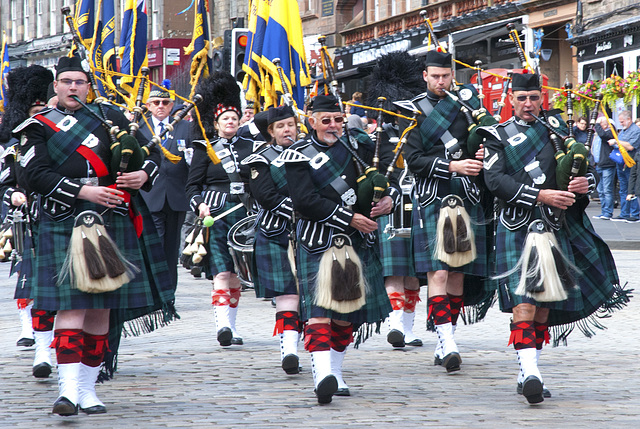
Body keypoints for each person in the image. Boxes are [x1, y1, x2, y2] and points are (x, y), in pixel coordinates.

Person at [14, 56, 177, 416]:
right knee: (71, 308)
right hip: (64, 219)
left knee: (100, 310)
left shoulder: (109, 118)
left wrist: (143, 176)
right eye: (67, 81)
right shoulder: (36, 126)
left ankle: (88, 391)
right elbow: (33, 176)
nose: (74, 87)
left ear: (89, 85)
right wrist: (82, 192)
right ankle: (68, 391)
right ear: (55, 85)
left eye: (80, 81)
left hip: (109, 219)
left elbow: (148, 154)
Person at [481, 72, 628, 404]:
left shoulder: (558, 134)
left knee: (544, 308)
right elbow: (494, 180)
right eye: (522, 98)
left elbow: (582, 173)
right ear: (511, 100)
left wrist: (583, 185)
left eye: (534, 97)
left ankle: (526, 369)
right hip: (517, 225)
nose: (529, 104)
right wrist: (539, 195)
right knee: (524, 303)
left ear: (541, 99)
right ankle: (532, 372)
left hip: (553, 225)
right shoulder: (496, 136)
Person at [283, 94, 394, 404]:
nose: (333, 126)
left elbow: (384, 179)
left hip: (355, 242)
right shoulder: (297, 154)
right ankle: (322, 375)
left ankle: (335, 370)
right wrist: (350, 217)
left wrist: (388, 200)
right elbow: (305, 201)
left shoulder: (358, 147)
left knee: (345, 316)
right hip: (318, 240)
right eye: (326, 120)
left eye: (338, 120)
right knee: (319, 312)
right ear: (312, 121)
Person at [399, 50, 492, 373]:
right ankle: (448, 342)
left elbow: (477, 146)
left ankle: (444, 339)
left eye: (446, 76)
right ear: (425, 76)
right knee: (438, 272)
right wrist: (452, 164)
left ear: (452, 75)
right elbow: (413, 160)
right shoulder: (412, 113)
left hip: (464, 195)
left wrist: (479, 150)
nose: (441, 82)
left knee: (456, 274)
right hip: (431, 196)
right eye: (435, 76)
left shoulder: (467, 107)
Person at [185, 72, 254, 347]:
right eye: (225, 119)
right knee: (222, 271)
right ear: (216, 122)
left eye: (235, 119)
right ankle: (222, 325)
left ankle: (232, 326)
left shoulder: (251, 146)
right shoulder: (204, 148)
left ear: (240, 121)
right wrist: (200, 205)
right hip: (216, 215)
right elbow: (192, 187)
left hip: (245, 214)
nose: (230, 123)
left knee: (237, 274)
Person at [366, 51, 428, 349]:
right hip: (392, 205)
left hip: (420, 204)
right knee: (394, 268)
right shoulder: (380, 136)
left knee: (414, 271)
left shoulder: (421, 133)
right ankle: (394, 323)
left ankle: (407, 328)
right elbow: (371, 173)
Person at [0, 65, 58, 378]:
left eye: (44, 107)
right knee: (32, 280)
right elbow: (5, 182)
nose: (41, 113)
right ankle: (38, 345)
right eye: (36, 108)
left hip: (67, 215)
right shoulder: (16, 144)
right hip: (33, 216)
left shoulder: (67, 136)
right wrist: (14, 196)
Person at [242, 105, 301, 374]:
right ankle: (289, 350)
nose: (287, 130)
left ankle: (317, 348)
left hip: (311, 232)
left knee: (312, 294)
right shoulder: (260, 158)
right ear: (271, 131)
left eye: (290, 125)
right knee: (288, 292)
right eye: (281, 126)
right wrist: (305, 209)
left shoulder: (310, 153)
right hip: (275, 231)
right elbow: (265, 196)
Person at [139, 82, 193, 290]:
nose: (160, 106)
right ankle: (153, 290)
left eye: (165, 102)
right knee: (155, 245)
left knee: (171, 248)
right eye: (156, 102)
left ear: (171, 106)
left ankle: (169, 292)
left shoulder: (185, 127)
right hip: (150, 194)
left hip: (176, 195)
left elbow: (193, 159)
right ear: (149, 105)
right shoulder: (140, 127)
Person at [609, 111, 640, 222]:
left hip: (631, 162)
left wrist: (616, 141)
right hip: (621, 162)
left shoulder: (636, 131)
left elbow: (631, 146)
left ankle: (635, 214)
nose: (621, 124)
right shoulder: (623, 131)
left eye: (622, 121)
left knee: (631, 188)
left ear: (629, 119)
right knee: (623, 189)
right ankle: (624, 213)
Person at [592, 116, 616, 220]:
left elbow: (603, 135)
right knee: (600, 190)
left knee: (607, 190)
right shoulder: (597, 135)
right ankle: (603, 211)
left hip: (607, 165)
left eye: (601, 123)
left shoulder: (610, 132)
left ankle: (608, 212)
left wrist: (596, 124)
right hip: (598, 164)